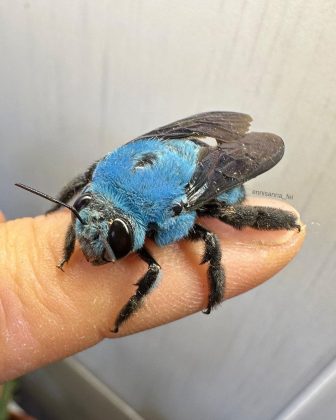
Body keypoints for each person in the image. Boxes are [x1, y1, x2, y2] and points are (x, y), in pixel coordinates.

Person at [0, 198, 305, 383]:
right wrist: (66, 241)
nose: (93, 255)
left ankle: (286, 225)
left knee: (213, 226)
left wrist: (215, 283)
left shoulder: (170, 209)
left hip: (195, 182)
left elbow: (209, 237)